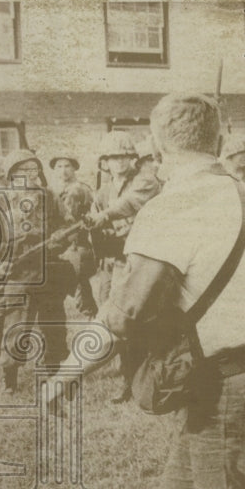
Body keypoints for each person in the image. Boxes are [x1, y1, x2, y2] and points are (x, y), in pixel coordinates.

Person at [47, 93, 245, 489]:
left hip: (228, 399)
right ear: (218, 139)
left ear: (156, 146)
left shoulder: (171, 207)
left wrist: (67, 371)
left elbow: (125, 314)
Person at [0, 150, 72, 392]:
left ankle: (54, 372)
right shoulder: (2, 201)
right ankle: (10, 379)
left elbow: (67, 226)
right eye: (24, 171)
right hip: (17, 275)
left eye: (34, 170)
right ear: (12, 175)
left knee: (53, 323)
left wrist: (58, 240)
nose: (30, 175)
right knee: (16, 326)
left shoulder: (50, 197)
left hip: (48, 270)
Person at [87, 130, 161, 402]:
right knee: (110, 315)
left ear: (133, 159)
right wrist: (95, 227)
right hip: (113, 262)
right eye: (113, 158)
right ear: (105, 161)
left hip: (140, 263)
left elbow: (130, 204)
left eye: (124, 157)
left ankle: (140, 381)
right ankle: (127, 375)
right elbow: (97, 224)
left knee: (138, 321)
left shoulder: (145, 181)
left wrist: (105, 218)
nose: (118, 162)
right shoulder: (102, 191)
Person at [49, 154, 98, 319]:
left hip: (76, 244)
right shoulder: (54, 190)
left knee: (79, 285)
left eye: (67, 166)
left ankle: (91, 317)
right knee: (77, 285)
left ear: (74, 168)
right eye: (59, 166)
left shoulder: (78, 190)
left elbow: (70, 219)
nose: (63, 170)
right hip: (61, 244)